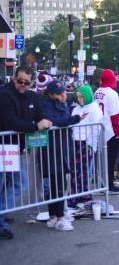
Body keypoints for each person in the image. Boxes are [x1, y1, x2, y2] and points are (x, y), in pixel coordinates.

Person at [0, 66, 52, 239]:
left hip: (18, 148)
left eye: (26, 82)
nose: (22, 84)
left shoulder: (32, 96)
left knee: (13, 183)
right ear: (14, 78)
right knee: (17, 183)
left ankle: (2, 215)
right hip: (4, 147)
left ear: (32, 82)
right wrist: (35, 126)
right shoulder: (5, 95)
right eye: (19, 80)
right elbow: (11, 122)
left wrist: (45, 121)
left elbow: (40, 115)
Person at [41, 81, 84, 231]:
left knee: (57, 182)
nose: (64, 95)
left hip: (61, 146)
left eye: (63, 92)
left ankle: (55, 215)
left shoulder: (61, 103)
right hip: (53, 148)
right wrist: (76, 119)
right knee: (57, 183)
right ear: (52, 94)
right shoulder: (46, 104)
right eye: (60, 93)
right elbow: (54, 122)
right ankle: (58, 217)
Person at [69, 84, 103, 207]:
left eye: (82, 97)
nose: (80, 99)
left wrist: (91, 146)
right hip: (75, 142)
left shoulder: (94, 109)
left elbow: (96, 129)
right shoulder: (76, 108)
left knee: (82, 171)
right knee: (74, 171)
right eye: (78, 97)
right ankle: (75, 194)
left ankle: (83, 194)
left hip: (86, 143)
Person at [94, 69, 119, 193]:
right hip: (110, 130)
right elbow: (114, 115)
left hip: (99, 128)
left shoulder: (97, 92)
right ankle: (109, 184)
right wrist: (117, 132)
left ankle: (102, 183)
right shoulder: (112, 93)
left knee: (102, 159)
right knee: (111, 159)